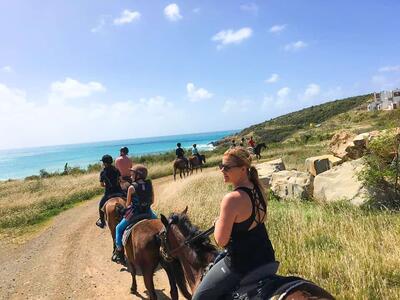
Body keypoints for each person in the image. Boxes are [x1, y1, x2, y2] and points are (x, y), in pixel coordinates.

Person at [192, 147, 275, 299]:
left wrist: (218, 224)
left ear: (243, 169)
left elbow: (221, 241)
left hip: (242, 264)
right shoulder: (258, 189)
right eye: (221, 166)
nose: (222, 170)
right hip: (266, 258)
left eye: (227, 167)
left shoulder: (232, 199)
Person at [113, 164, 158, 263]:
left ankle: (119, 252)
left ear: (138, 175)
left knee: (118, 228)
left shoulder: (131, 188)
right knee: (160, 225)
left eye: (132, 173)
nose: (131, 175)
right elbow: (152, 200)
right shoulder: (149, 184)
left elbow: (128, 204)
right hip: (148, 211)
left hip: (135, 213)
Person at [96, 155, 123, 228]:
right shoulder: (116, 170)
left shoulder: (103, 172)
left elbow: (102, 184)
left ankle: (102, 222)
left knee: (101, 206)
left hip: (109, 194)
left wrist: (107, 186)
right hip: (119, 192)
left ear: (105, 163)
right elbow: (120, 180)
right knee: (129, 200)